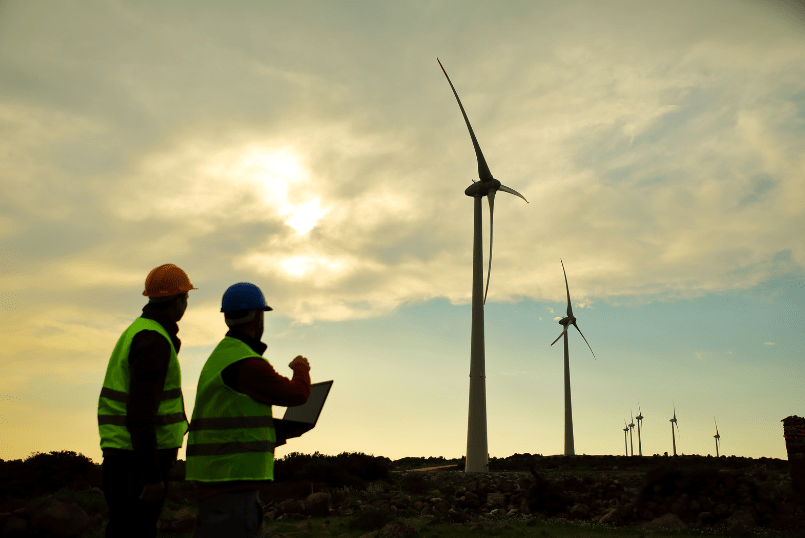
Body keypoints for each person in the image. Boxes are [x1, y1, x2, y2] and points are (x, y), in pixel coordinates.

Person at [185, 282, 311, 538]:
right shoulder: (246, 362)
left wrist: (274, 432)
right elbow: (296, 394)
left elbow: (231, 418)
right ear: (258, 316)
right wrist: (301, 368)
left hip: (218, 482)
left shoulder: (222, 356)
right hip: (232, 487)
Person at [97, 263, 197, 538]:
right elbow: (141, 414)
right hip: (136, 465)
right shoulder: (153, 340)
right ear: (178, 301)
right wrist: (151, 476)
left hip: (125, 459)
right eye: (186, 297)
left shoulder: (141, 332)